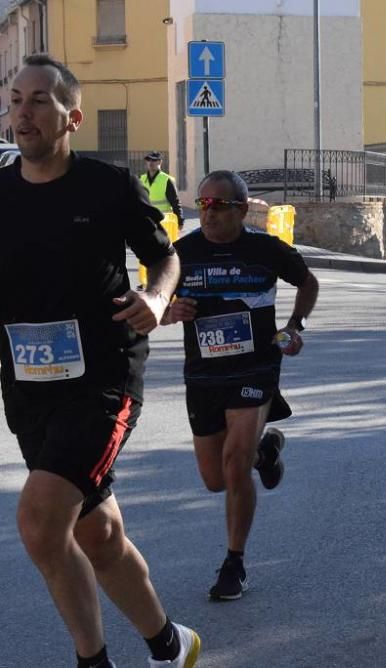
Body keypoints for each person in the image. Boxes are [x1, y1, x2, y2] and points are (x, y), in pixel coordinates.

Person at [0, 55, 199, 668]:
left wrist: (156, 296)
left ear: (71, 117)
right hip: (27, 387)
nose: (22, 112)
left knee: (39, 522)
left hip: (103, 380)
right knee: (98, 534)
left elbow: (165, 257)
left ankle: (94, 663)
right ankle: (173, 645)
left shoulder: (107, 186)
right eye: (14, 99)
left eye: (38, 101)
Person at [161, 170, 319, 601]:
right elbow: (153, 303)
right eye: (203, 204)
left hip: (255, 370)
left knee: (234, 462)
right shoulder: (182, 252)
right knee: (216, 479)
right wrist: (172, 312)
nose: (208, 213)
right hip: (203, 375)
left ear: (242, 210)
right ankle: (264, 452)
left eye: (219, 205)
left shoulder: (265, 249)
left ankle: (234, 563)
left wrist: (294, 326)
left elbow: (308, 282)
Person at [139, 151, 184, 229]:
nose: (150, 162)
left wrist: (180, 221)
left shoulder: (167, 180)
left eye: (154, 160)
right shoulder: (141, 179)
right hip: (147, 221)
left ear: (160, 162)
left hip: (164, 221)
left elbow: (175, 202)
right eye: (148, 160)